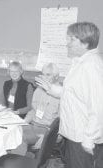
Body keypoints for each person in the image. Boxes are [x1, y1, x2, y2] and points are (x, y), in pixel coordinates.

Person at [36, 22, 103, 168]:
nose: (67, 43)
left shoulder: (91, 66)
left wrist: (89, 139)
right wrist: (52, 89)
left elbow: (98, 107)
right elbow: (75, 95)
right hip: (74, 135)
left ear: (85, 43)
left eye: (71, 39)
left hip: (82, 139)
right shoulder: (80, 63)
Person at [23, 63, 60, 149]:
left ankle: (26, 159)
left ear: (56, 76)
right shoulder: (38, 90)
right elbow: (33, 110)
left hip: (46, 130)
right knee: (12, 132)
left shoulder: (60, 94)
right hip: (33, 125)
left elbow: (60, 123)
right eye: (43, 74)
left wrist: (47, 136)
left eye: (48, 75)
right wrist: (23, 122)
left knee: (20, 138)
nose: (44, 77)